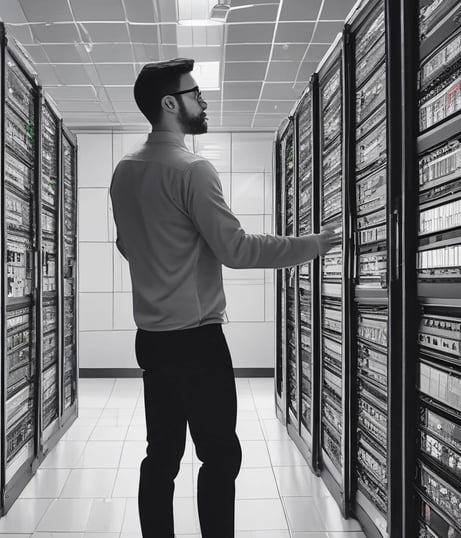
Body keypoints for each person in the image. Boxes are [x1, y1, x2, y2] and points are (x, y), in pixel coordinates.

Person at [109, 58, 338, 538]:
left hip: (151, 339)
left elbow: (126, 245)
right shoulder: (193, 170)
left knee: (161, 456)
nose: (203, 100)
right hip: (197, 341)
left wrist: (164, 262)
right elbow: (236, 249)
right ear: (170, 104)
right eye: (194, 93)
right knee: (219, 455)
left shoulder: (124, 172)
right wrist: (311, 245)